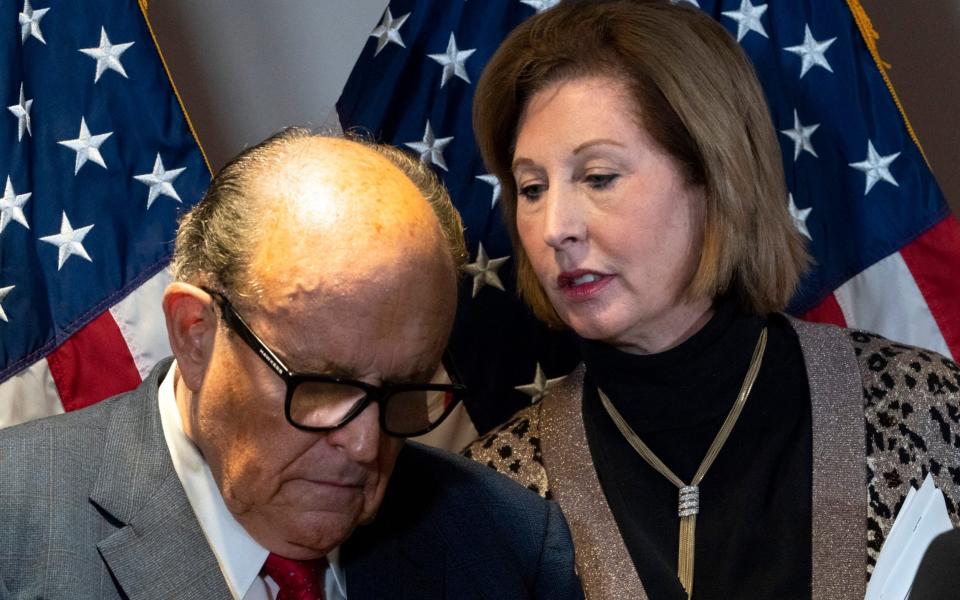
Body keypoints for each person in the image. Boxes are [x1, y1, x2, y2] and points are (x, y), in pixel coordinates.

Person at [463, 1, 960, 599]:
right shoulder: (497, 490)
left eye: (598, 177)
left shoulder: (923, 408)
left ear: (715, 178)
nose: (553, 228)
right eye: (532, 188)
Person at [0, 129, 583, 600]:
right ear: (194, 334)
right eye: (324, 385)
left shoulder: (508, 542)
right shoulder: (14, 523)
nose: (363, 445)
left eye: (404, 390)